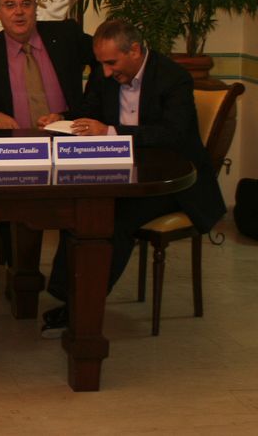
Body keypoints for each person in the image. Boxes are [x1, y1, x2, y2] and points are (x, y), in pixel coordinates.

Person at [40, 19, 226, 336]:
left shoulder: (173, 78)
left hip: (172, 181)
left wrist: (111, 132)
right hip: (122, 173)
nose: (106, 72)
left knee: (114, 218)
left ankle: (83, 306)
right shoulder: (106, 74)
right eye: (101, 63)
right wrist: (63, 118)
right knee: (81, 208)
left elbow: (173, 134)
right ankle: (70, 294)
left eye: (112, 63)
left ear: (135, 50)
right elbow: (90, 111)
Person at [0, 0, 97, 267]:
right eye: (10, 5)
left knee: (85, 213)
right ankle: (22, 271)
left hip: (68, 145)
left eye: (26, 4)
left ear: (36, 7)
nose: (19, 12)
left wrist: (76, 113)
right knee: (21, 213)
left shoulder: (66, 36)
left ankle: (71, 271)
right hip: (16, 153)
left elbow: (105, 60)